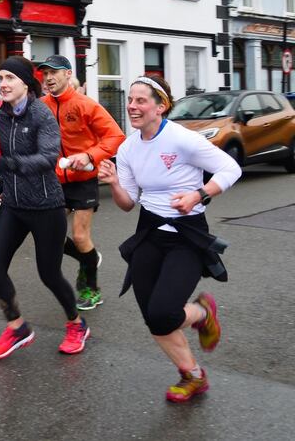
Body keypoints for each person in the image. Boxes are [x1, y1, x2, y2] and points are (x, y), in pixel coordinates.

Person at [98, 75, 241, 403]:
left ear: (160, 107)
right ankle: (192, 376)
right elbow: (127, 203)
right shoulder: (128, 148)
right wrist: (115, 183)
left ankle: (203, 313)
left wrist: (199, 194)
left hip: (187, 234)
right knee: (154, 317)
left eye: (141, 101)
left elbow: (230, 169)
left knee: (164, 311)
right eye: (130, 100)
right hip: (149, 233)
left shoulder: (181, 139)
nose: (132, 107)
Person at [0, 57, 90, 360]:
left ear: (26, 83)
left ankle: (77, 324)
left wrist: (6, 165)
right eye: (0, 77)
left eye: (9, 78)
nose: (2, 84)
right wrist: (4, 181)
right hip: (14, 204)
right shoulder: (2, 116)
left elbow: (47, 159)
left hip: (46, 206)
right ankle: (17, 328)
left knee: (49, 274)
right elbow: (11, 155)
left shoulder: (42, 115)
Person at [38, 55, 124, 311]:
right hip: (54, 180)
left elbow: (115, 136)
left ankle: (91, 289)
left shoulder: (85, 105)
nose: (49, 78)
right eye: (45, 74)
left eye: (54, 73)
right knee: (48, 234)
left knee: (79, 234)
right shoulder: (41, 107)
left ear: (67, 74)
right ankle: (88, 258)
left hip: (83, 180)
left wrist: (89, 156)